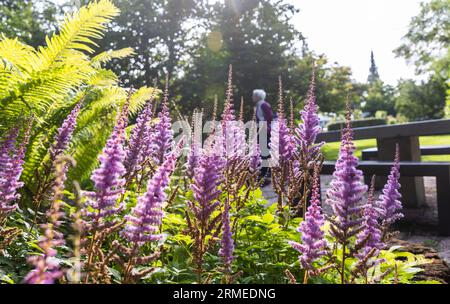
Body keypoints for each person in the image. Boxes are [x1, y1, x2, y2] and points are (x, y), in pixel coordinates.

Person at [252, 89, 273, 185]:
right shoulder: (259, 105)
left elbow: (269, 117)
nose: (252, 97)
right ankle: (264, 172)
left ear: (258, 96)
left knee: (264, 151)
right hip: (262, 129)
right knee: (262, 151)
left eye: (254, 95)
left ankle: (266, 173)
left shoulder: (263, 104)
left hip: (264, 130)